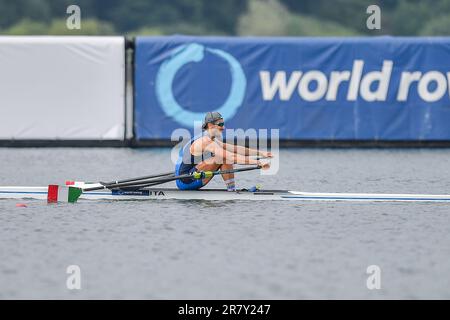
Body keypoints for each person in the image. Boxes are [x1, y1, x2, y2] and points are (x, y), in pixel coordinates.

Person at [175, 111, 272, 191]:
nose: (223, 128)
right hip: (185, 181)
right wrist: (258, 162)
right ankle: (232, 191)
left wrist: (261, 153)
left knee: (224, 157)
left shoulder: (211, 139)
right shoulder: (205, 141)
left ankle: (231, 190)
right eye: (220, 124)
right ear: (210, 125)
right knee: (222, 157)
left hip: (192, 175)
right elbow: (231, 157)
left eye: (223, 124)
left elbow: (236, 149)